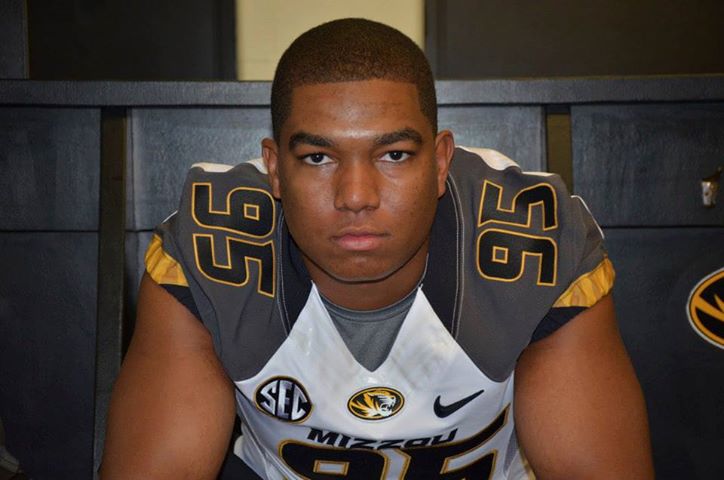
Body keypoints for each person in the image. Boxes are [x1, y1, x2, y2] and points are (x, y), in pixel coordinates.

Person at [100, 18, 654, 479]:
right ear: (274, 168)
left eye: (393, 155)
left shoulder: (534, 238)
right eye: (318, 158)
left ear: (440, 162)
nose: (356, 197)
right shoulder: (211, 246)